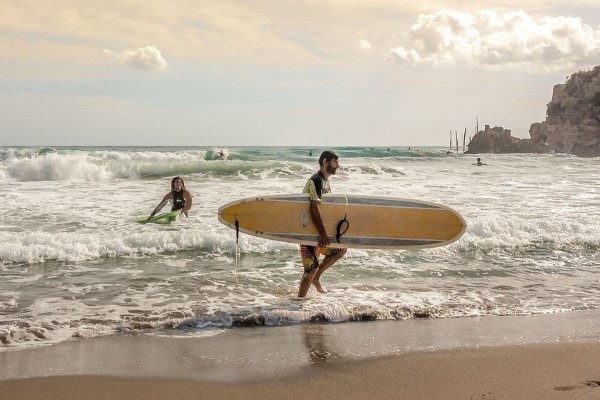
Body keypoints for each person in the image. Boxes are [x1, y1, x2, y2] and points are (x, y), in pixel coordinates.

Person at [298, 150, 347, 297]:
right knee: (310, 270)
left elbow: (324, 208)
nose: (338, 165)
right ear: (325, 162)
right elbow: (313, 209)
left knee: (340, 250)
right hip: (308, 231)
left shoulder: (325, 181)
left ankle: (316, 278)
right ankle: (298, 304)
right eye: (335, 162)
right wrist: (323, 235)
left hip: (316, 230)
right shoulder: (317, 181)